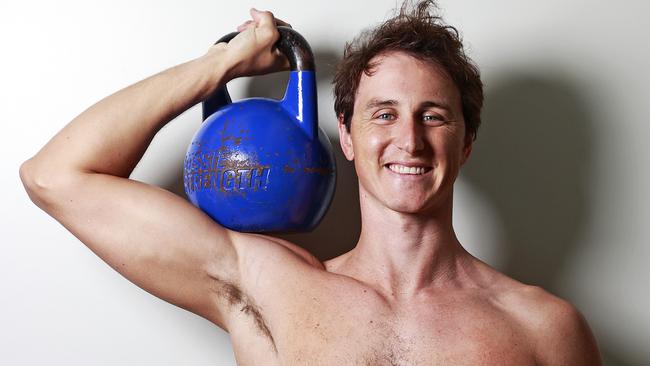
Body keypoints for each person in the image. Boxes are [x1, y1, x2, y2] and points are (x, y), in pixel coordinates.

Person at [20, 1, 602, 364]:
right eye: (383, 113)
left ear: (466, 141)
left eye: (434, 115)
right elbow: (55, 176)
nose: (409, 139)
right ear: (344, 137)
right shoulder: (267, 288)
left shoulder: (544, 330)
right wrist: (217, 67)